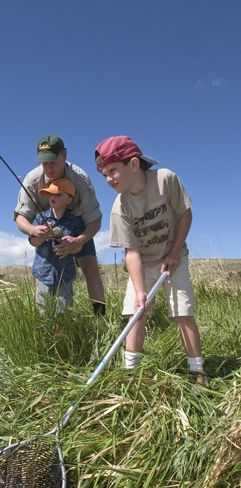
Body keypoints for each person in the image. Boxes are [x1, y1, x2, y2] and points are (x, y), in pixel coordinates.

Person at [94, 135, 209, 391]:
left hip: (173, 257)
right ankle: (130, 374)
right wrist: (139, 290)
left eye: (112, 171)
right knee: (137, 315)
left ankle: (197, 371)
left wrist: (175, 252)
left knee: (182, 312)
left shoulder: (165, 180)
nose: (109, 179)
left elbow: (185, 214)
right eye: (104, 175)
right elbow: (131, 251)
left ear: (133, 164)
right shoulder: (120, 207)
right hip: (142, 264)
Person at [14, 135, 105, 315]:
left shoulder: (80, 180)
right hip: (45, 230)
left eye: (53, 161)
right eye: (44, 163)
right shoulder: (32, 180)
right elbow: (20, 218)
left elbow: (95, 220)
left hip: (78, 228)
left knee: (91, 268)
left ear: (64, 155)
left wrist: (79, 241)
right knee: (43, 274)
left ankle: (100, 320)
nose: (49, 168)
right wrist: (34, 231)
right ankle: (42, 324)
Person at [30, 178, 84, 313]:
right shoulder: (40, 218)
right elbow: (32, 242)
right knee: (43, 312)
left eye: (58, 194)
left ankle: (61, 334)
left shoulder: (75, 222)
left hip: (66, 274)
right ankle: (46, 333)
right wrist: (42, 235)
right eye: (51, 194)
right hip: (44, 272)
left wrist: (71, 245)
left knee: (63, 312)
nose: (53, 197)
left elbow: (79, 247)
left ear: (69, 200)